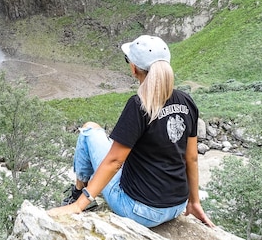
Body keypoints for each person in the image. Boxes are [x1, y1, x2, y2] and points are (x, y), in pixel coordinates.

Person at [48, 35, 214, 228]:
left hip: (140, 211)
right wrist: (194, 202)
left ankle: (77, 196)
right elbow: (191, 158)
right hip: (177, 206)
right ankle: (82, 196)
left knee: (89, 130)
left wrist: (78, 206)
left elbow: (114, 161)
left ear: (134, 68)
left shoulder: (138, 105)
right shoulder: (186, 101)